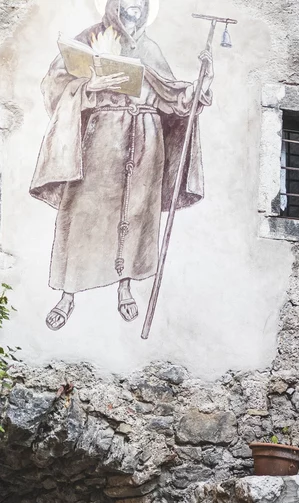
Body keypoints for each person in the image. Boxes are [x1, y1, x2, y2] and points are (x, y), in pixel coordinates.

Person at [30, 0, 213, 331]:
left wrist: (196, 89)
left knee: (136, 213)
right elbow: (53, 85)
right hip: (102, 137)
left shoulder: (150, 48)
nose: (134, 9)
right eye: (127, 3)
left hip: (147, 139)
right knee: (82, 212)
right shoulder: (89, 38)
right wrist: (89, 86)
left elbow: (169, 99)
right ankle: (67, 295)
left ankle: (125, 288)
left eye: (140, 5)